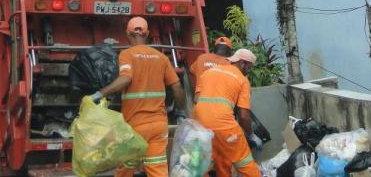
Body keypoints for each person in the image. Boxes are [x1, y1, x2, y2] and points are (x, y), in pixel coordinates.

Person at [92, 16, 188, 177]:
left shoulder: (127, 54)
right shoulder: (161, 57)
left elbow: (125, 79)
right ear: (148, 33)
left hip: (134, 126)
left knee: (125, 168)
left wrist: (99, 93)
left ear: (128, 34)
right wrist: (182, 110)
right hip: (158, 125)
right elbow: (177, 86)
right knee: (157, 168)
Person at [193, 48, 262, 177]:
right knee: (245, 161)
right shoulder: (242, 80)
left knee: (216, 159)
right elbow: (243, 116)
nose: (249, 71)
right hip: (223, 124)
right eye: (249, 67)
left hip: (200, 124)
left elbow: (196, 99)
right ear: (242, 63)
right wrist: (251, 135)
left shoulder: (209, 72)